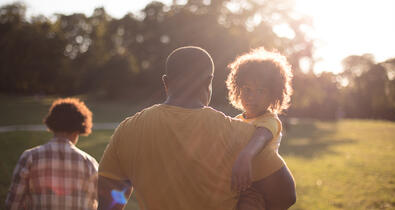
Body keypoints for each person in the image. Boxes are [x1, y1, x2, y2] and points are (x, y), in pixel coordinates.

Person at [97, 46, 296, 210]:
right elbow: (286, 195)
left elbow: (109, 203)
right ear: (209, 81)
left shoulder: (127, 130)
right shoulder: (242, 135)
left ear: (166, 82)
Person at [227, 48, 296, 210]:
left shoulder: (270, 120)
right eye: (247, 90)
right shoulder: (237, 121)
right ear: (237, 89)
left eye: (260, 91)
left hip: (267, 188)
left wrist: (246, 155)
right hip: (247, 186)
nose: (252, 97)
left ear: (273, 94)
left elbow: (260, 137)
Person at [5, 98, 98, 210]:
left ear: (52, 125)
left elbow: (13, 205)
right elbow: (98, 204)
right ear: (78, 130)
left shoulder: (29, 158)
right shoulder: (90, 163)